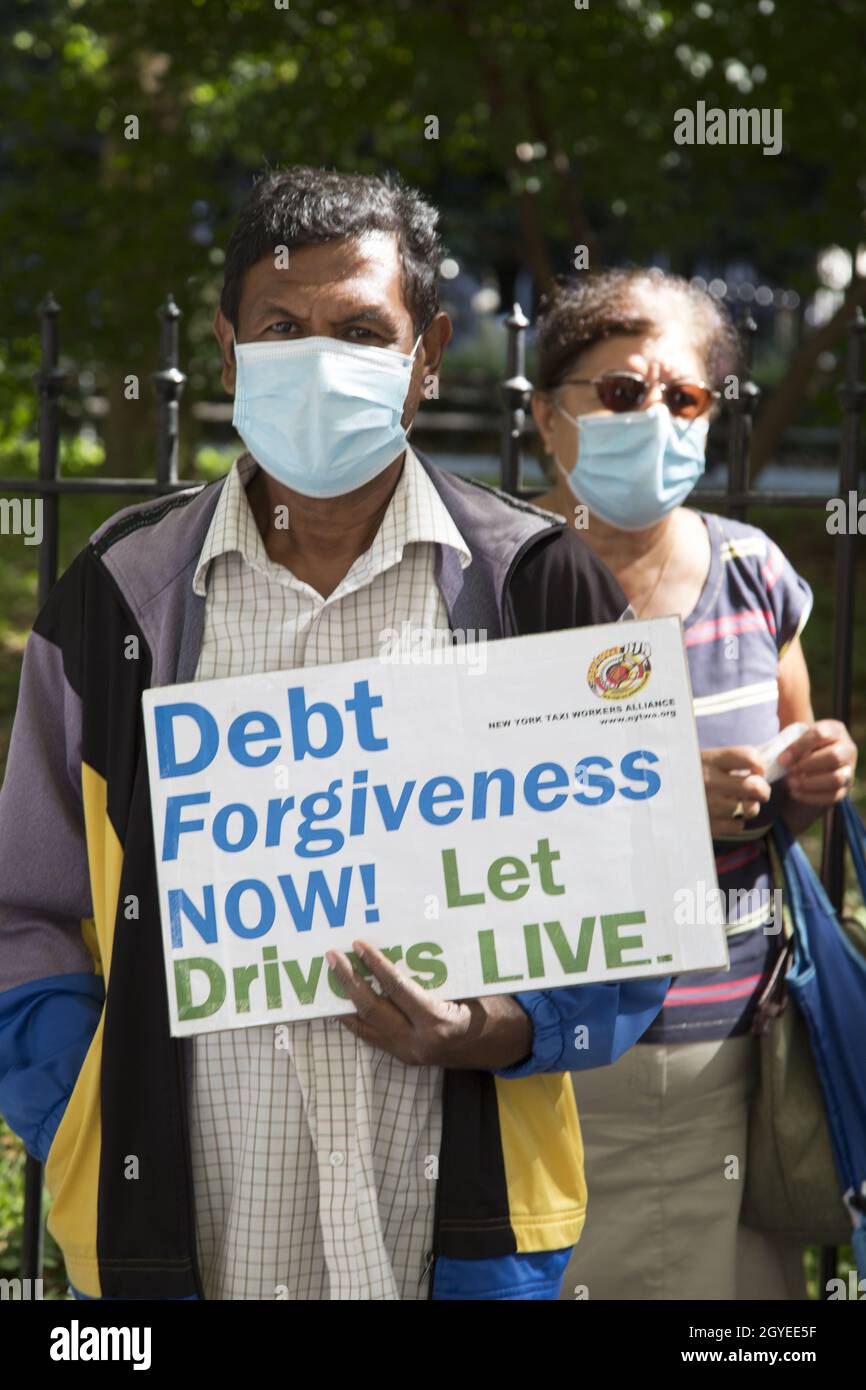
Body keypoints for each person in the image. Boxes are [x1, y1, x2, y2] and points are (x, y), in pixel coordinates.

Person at [0, 169, 670, 1303]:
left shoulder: (538, 586)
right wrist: (88, 1103)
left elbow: (637, 914)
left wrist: (498, 1026)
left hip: (455, 1231)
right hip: (184, 1230)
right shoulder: (118, 596)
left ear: (426, 353)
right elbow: (24, 904)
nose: (318, 359)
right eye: (282, 328)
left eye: (361, 330)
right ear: (226, 349)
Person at [529, 267, 859, 1301]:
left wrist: (812, 772)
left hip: (733, 1060)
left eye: (684, 397)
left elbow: (784, 772)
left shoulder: (754, 570)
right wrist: (660, 804)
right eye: (621, 392)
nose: (656, 417)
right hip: (546, 1062)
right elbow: (444, 821)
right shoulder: (492, 576)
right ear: (547, 417)